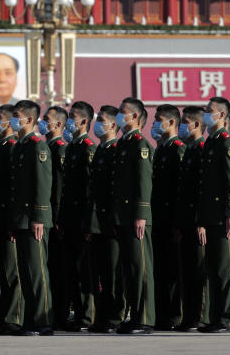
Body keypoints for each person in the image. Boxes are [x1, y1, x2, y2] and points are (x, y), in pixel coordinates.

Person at [7, 99, 53, 336]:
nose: (13, 119)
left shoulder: (38, 147)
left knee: (37, 272)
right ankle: (29, 319)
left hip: (34, 219)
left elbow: (42, 185)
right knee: (25, 272)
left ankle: (43, 320)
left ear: (29, 119)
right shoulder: (21, 146)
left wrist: (39, 217)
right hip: (21, 218)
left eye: (17, 115)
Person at [196, 96, 230, 333]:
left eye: (209, 111)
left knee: (227, 269)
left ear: (222, 115)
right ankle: (215, 317)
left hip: (226, 215)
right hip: (212, 215)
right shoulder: (212, 142)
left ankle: (228, 318)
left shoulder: (227, 143)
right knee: (214, 269)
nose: (205, 114)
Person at [112, 97, 155, 334]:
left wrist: (141, 213)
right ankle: (135, 314)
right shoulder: (124, 143)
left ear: (135, 116)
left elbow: (143, 182)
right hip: (124, 216)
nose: (120, 115)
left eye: (123, 112)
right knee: (129, 268)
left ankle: (145, 318)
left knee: (141, 268)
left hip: (136, 216)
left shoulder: (140, 145)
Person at [0, 103, 23, 334]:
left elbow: (14, 190)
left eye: (1, 118)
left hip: (10, 219)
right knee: (1, 272)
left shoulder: (12, 148)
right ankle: (3, 317)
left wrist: (13, 223)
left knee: (12, 271)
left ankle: (14, 317)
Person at [60, 101, 97, 331]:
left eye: (72, 116)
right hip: (70, 218)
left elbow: (88, 189)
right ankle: (78, 313)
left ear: (84, 121)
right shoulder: (72, 147)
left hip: (82, 218)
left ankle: (87, 315)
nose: (69, 120)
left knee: (84, 270)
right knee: (72, 269)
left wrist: (88, 221)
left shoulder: (87, 148)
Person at [89, 105, 125, 333]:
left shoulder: (115, 150)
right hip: (97, 221)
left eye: (101, 120)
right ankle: (102, 316)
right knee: (101, 272)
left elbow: (117, 190)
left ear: (113, 125)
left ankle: (115, 316)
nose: (97, 123)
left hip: (111, 222)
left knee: (113, 273)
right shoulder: (101, 150)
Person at [151, 103, 185, 331]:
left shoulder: (177, 149)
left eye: (158, 119)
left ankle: (174, 315)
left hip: (172, 220)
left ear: (171, 122)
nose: (154, 123)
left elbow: (180, 191)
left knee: (173, 271)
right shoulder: (162, 149)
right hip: (159, 219)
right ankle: (162, 314)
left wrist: (178, 222)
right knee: (161, 269)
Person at [174, 105, 207, 332]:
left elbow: (203, 190)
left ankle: (200, 317)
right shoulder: (190, 150)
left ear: (196, 124)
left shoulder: (202, 149)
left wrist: (200, 221)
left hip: (198, 223)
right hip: (185, 222)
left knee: (199, 272)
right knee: (186, 272)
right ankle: (189, 317)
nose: (181, 126)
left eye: (185, 121)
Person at [42, 106, 69, 331]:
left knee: (59, 269)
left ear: (58, 124)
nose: (43, 122)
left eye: (46, 119)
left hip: (54, 218)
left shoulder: (59, 150)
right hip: (49, 216)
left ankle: (59, 314)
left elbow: (58, 189)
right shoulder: (48, 147)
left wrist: (58, 217)